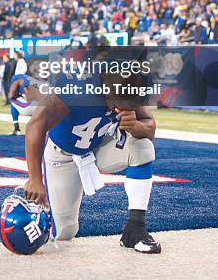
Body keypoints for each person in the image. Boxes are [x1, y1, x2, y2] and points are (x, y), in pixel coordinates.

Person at [23, 50, 161, 254]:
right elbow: (35, 125)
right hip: (63, 153)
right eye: (127, 101)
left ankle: (135, 229)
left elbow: (149, 125)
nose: (132, 106)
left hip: (97, 147)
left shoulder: (127, 83)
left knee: (142, 147)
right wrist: (35, 179)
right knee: (64, 232)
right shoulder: (76, 86)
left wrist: (136, 127)